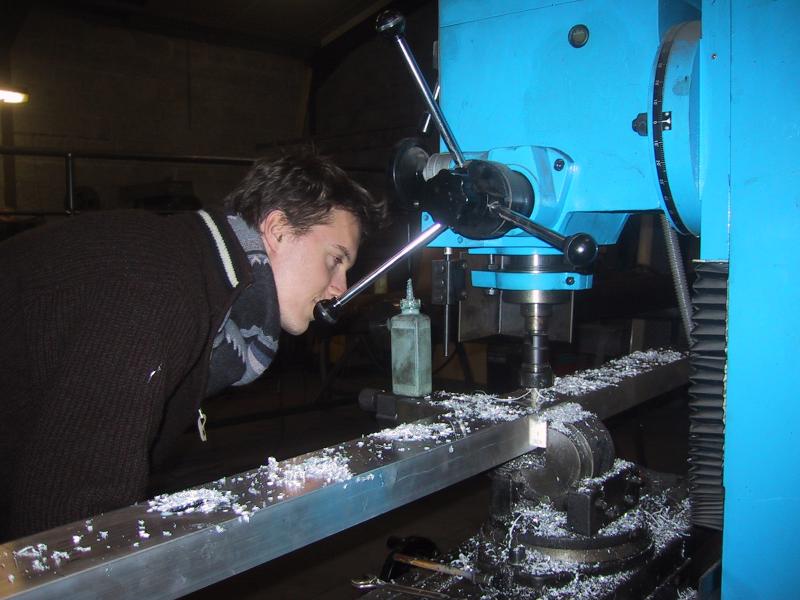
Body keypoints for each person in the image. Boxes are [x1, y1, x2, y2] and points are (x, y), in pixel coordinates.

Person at [0, 153, 386, 541]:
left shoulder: (190, 271)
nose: (341, 287)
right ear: (278, 229)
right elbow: (72, 518)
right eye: (336, 259)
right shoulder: (160, 288)